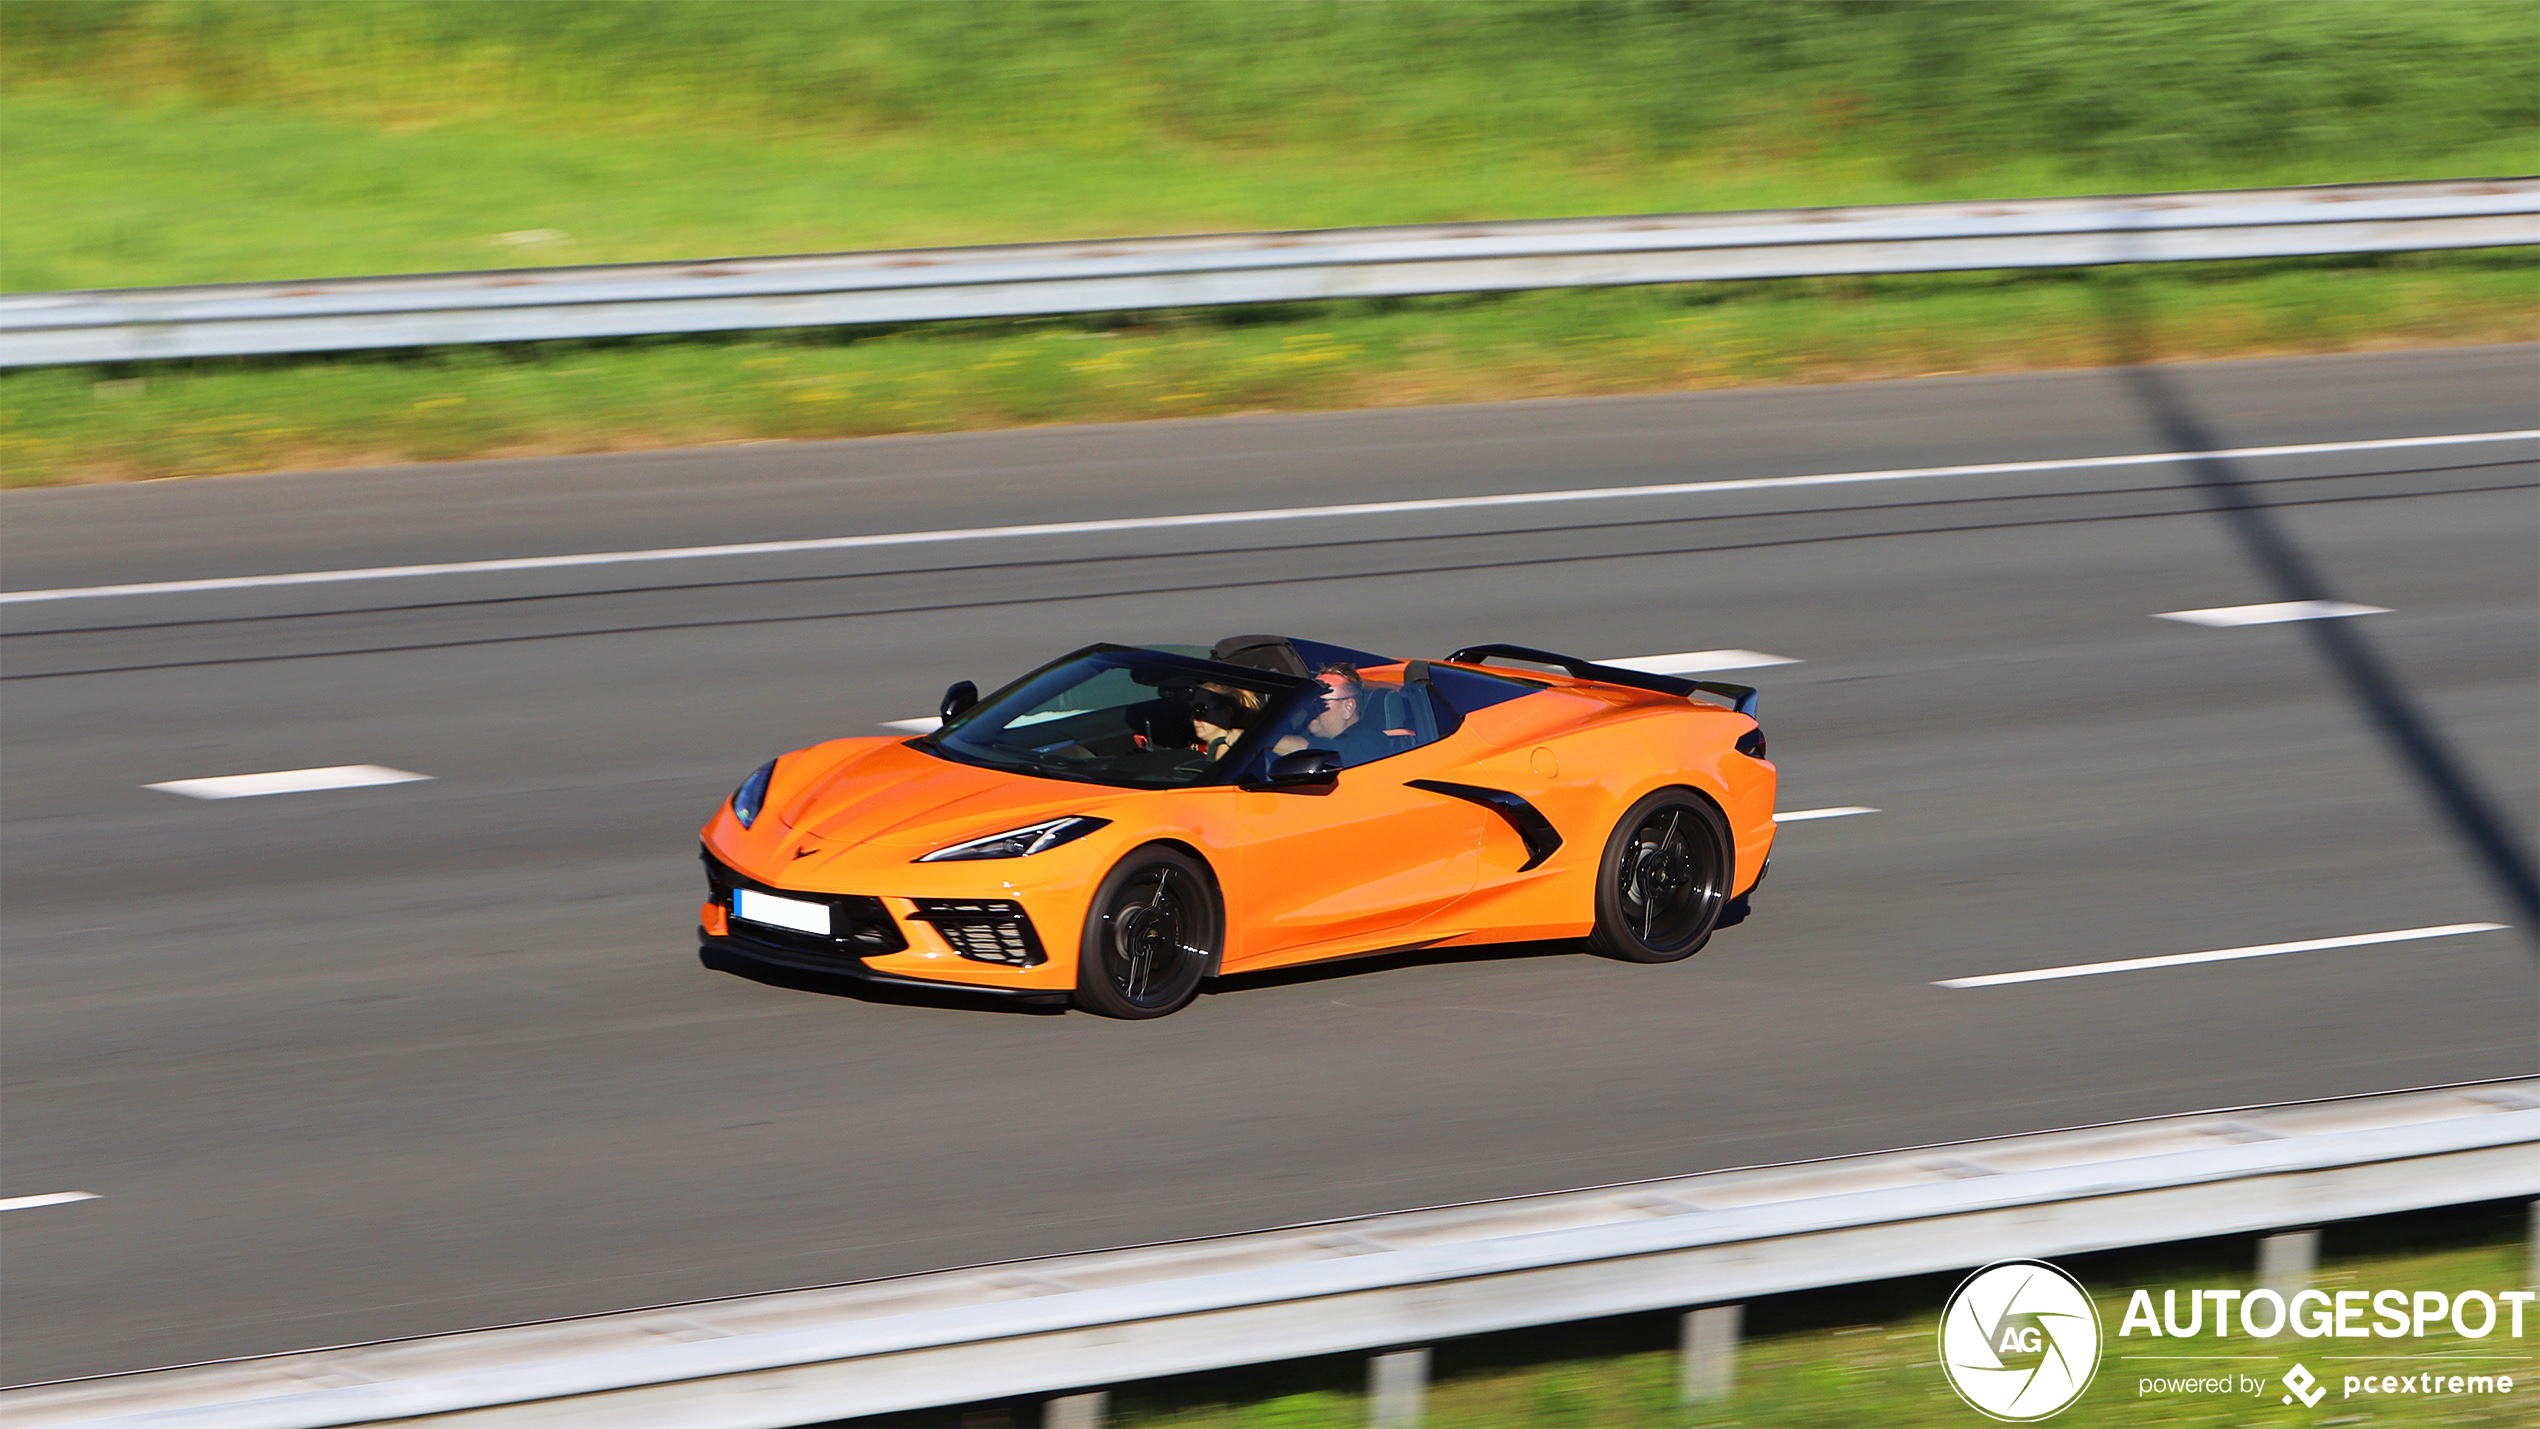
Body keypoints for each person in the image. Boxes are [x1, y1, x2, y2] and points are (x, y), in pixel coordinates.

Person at [1270, 664, 1396, 766]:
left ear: (1348, 707)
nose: (1311, 707)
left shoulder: (1369, 742)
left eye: (1321, 701)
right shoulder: (1302, 730)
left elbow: (1316, 754)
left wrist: (1264, 740)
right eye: (1309, 700)